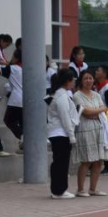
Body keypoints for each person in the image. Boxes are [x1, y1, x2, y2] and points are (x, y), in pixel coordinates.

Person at [72, 70, 108, 196]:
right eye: (85, 78)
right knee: (86, 160)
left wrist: (94, 111)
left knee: (98, 160)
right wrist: (97, 111)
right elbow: (85, 112)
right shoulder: (77, 95)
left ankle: (93, 189)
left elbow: (104, 108)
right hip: (85, 130)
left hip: (98, 129)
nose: (88, 80)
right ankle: (80, 189)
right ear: (81, 81)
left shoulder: (96, 95)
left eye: (90, 78)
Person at [45, 69, 79, 199]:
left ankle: (58, 189)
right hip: (61, 133)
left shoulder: (59, 94)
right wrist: (71, 135)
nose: (74, 82)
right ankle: (59, 190)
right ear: (67, 81)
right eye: (72, 80)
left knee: (60, 162)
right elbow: (65, 117)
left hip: (58, 133)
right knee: (61, 163)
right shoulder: (62, 97)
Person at [1, 49, 24, 149]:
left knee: (8, 120)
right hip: (25, 100)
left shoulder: (13, 68)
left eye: (13, 56)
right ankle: (23, 145)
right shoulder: (26, 68)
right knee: (22, 122)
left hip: (16, 99)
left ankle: (22, 136)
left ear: (17, 57)